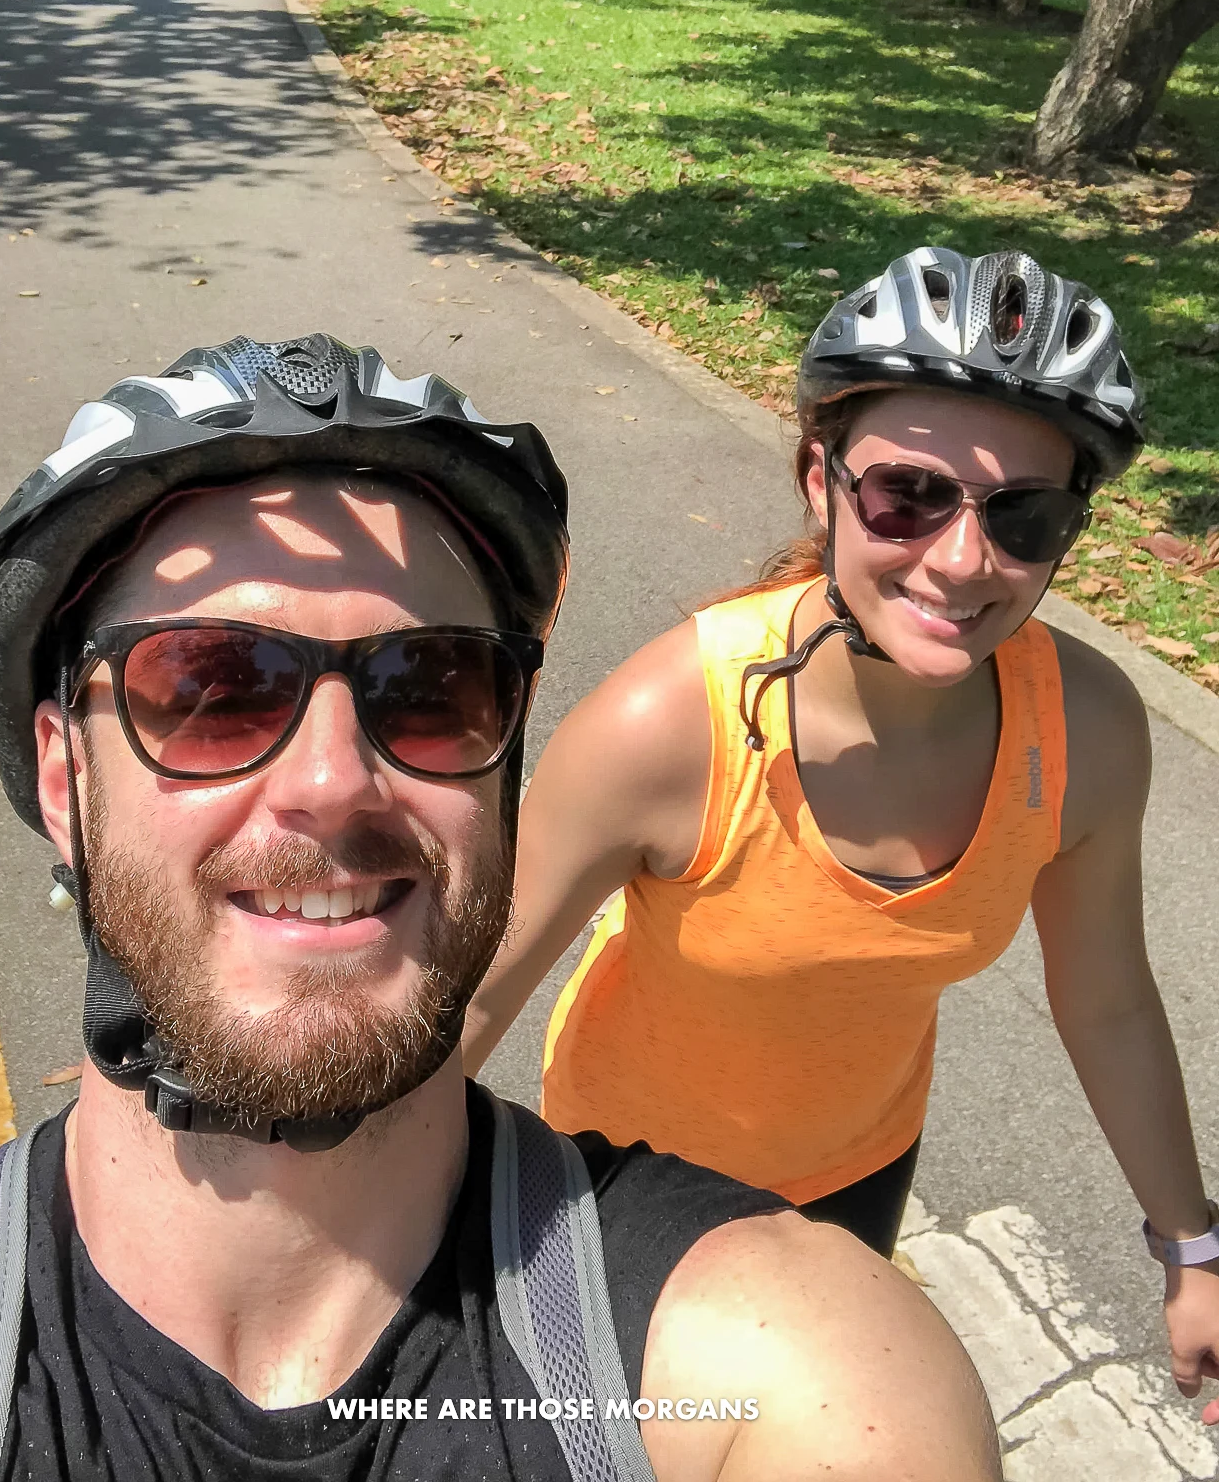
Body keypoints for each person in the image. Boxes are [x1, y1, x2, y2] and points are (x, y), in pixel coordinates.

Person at [0, 333, 998, 1480]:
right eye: (211, 690)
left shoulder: (765, 1361)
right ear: (66, 782)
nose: (330, 780)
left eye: (431, 689)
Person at [464, 246, 1219, 1407]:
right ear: (818, 478)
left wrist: (1191, 1247)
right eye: (906, 495)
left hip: (857, 1165)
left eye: (1025, 517)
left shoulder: (1083, 730)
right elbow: (470, 995)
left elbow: (1107, 999)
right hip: (625, 1177)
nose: (963, 560)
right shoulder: (669, 726)